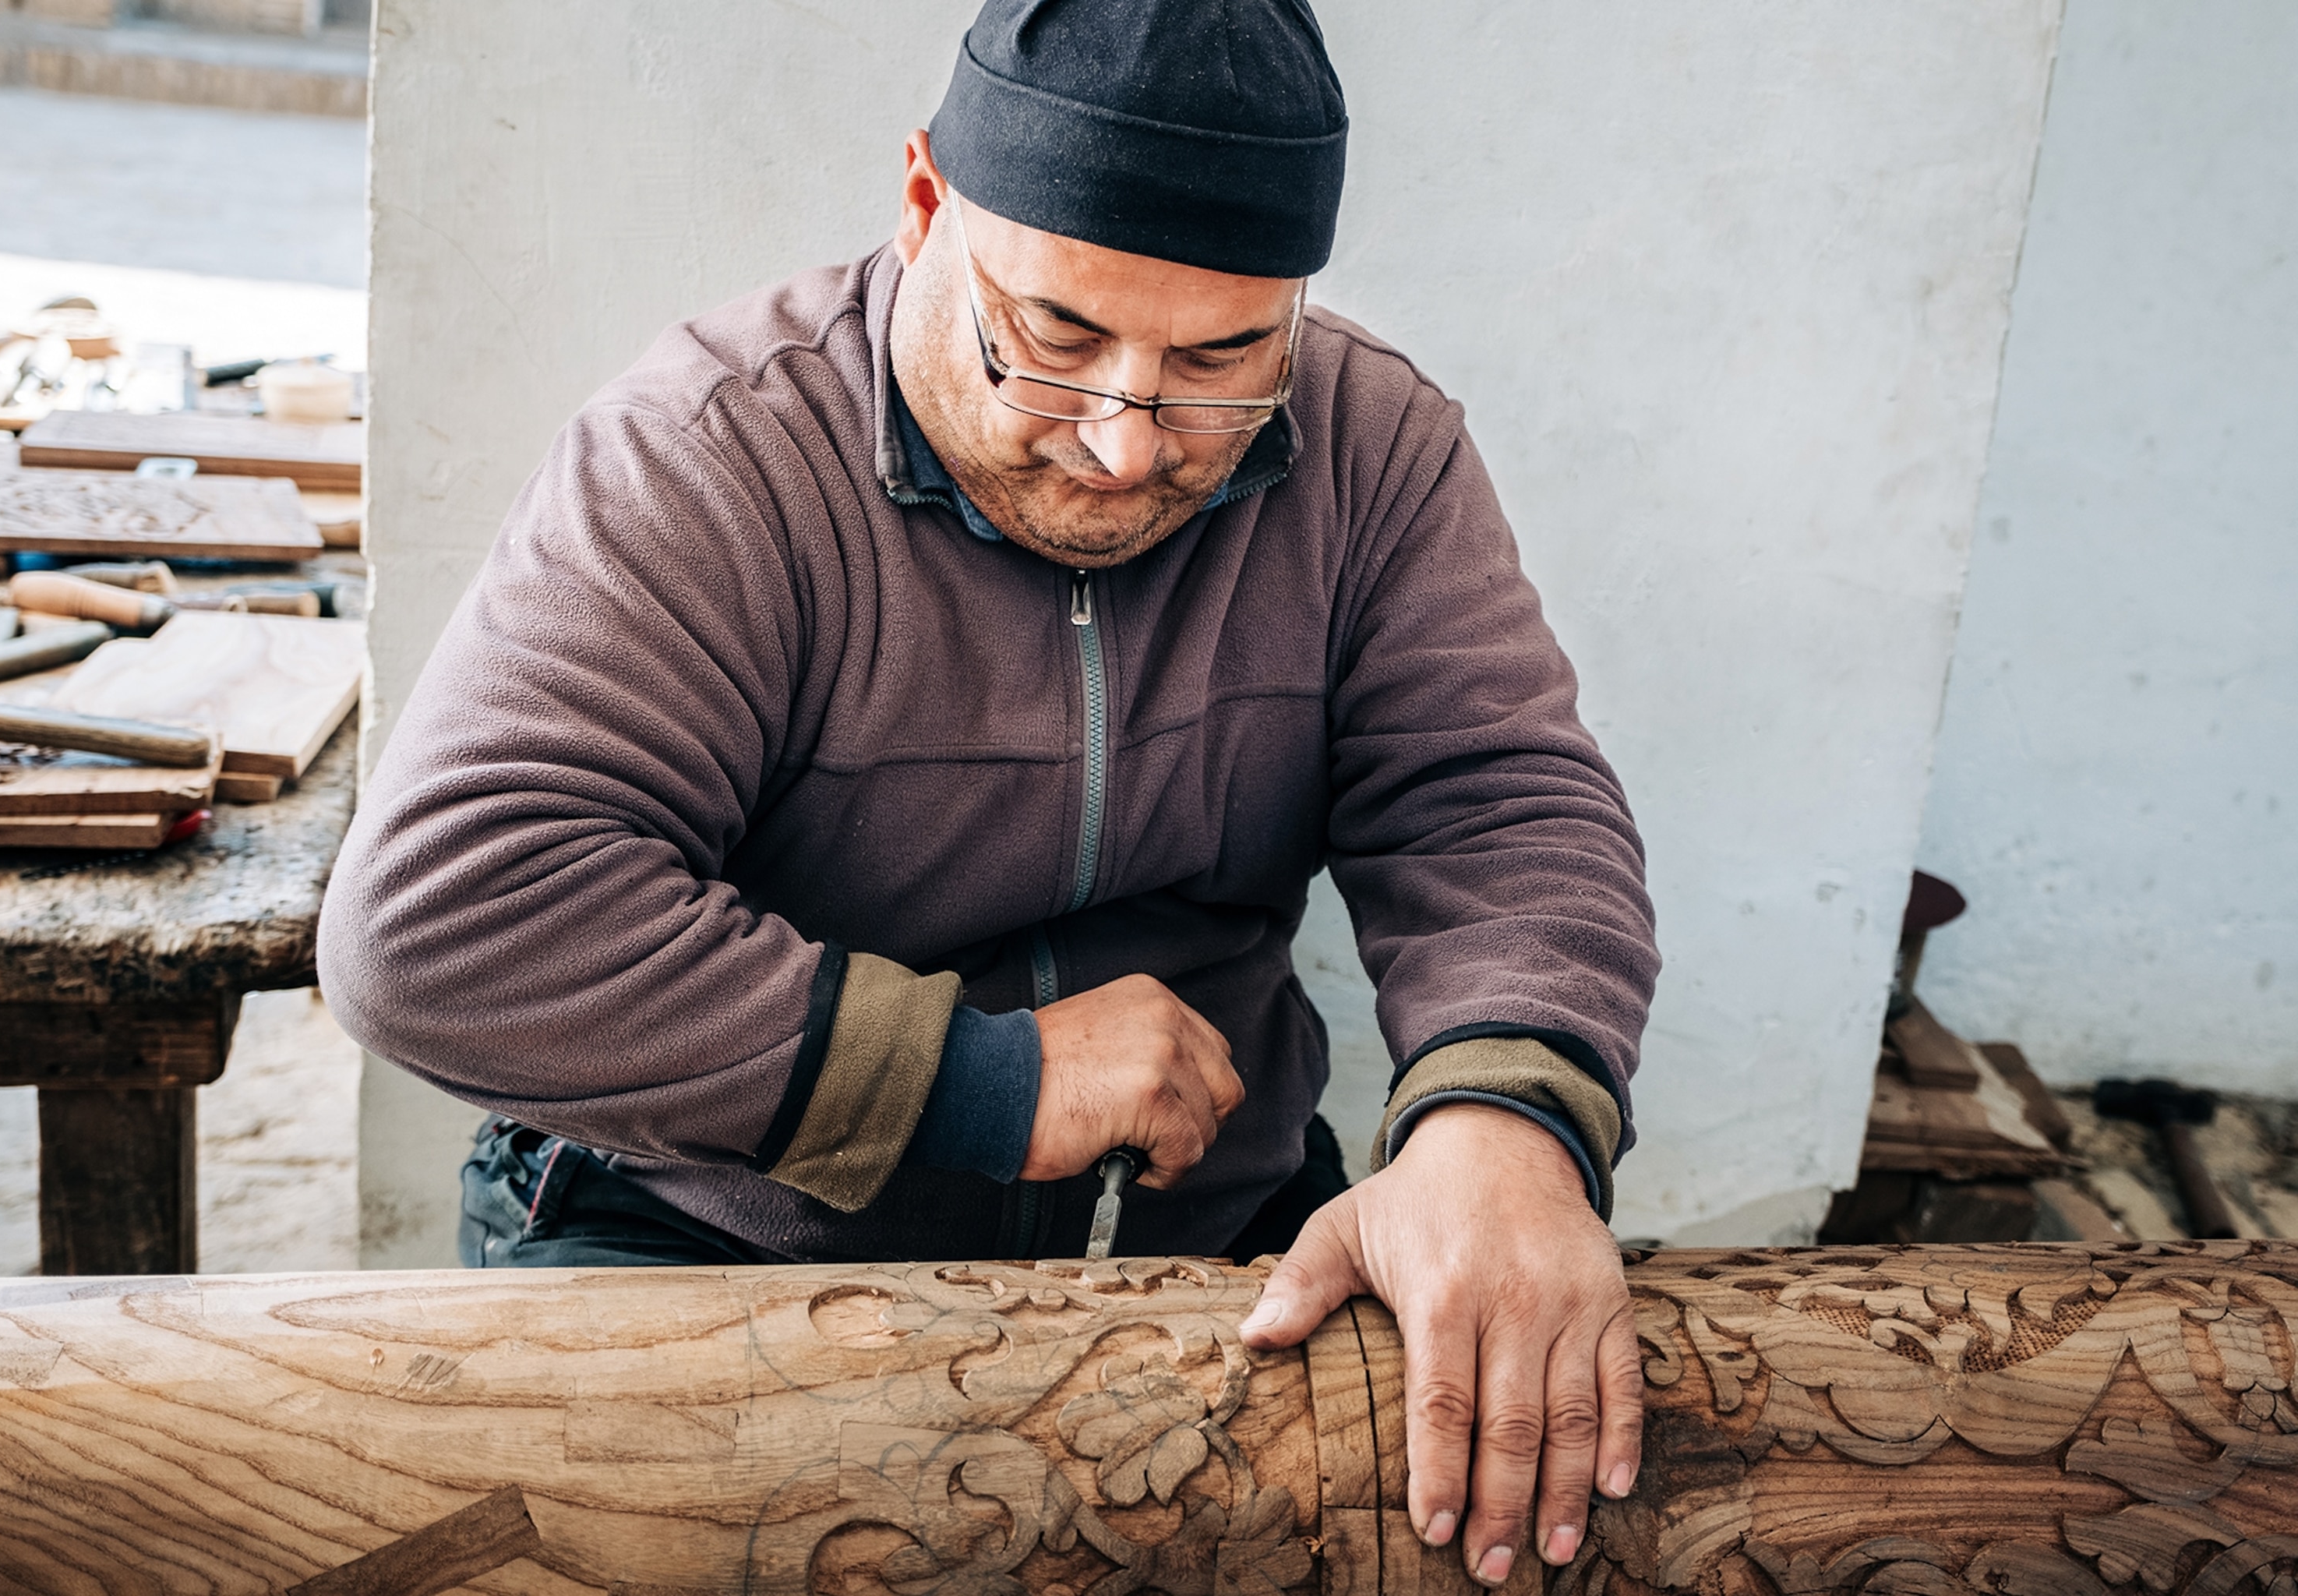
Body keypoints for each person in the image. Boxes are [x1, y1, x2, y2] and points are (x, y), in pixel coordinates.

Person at [319, 0, 1660, 1584]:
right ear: (923, 202)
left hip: (1207, 1236)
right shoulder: (712, 457)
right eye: (1056, 339)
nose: (1120, 444)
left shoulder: (1374, 448)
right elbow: (444, 922)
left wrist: (1503, 1124)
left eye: (1220, 361)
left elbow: (1495, 801)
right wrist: (982, 1084)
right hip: (707, 1231)